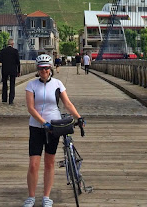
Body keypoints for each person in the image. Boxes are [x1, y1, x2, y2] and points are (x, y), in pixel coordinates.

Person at [24, 54, 84, 207]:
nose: (44, 70)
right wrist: (44, 123)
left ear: (50, 68)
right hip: (37, 127)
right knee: (33, 164)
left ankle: (46, 197)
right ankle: (31, 197)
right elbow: (31, 108)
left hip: (54, 127)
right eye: (41, 68)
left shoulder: (57, 84)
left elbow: (68, 104)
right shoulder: (31, 85)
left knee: (49, 163)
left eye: (46, 68)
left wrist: (79, 117)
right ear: (37, 69)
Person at [0, 38, 20, 105]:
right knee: (12, 85)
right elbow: (18, 62)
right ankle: (11, 100)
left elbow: (0, 61)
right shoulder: (15, 51)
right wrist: (18, 71)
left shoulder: (2, 51)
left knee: (4, 84)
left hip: (5, 70)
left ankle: (4, 99)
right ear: (12, 44)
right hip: (13, 70)